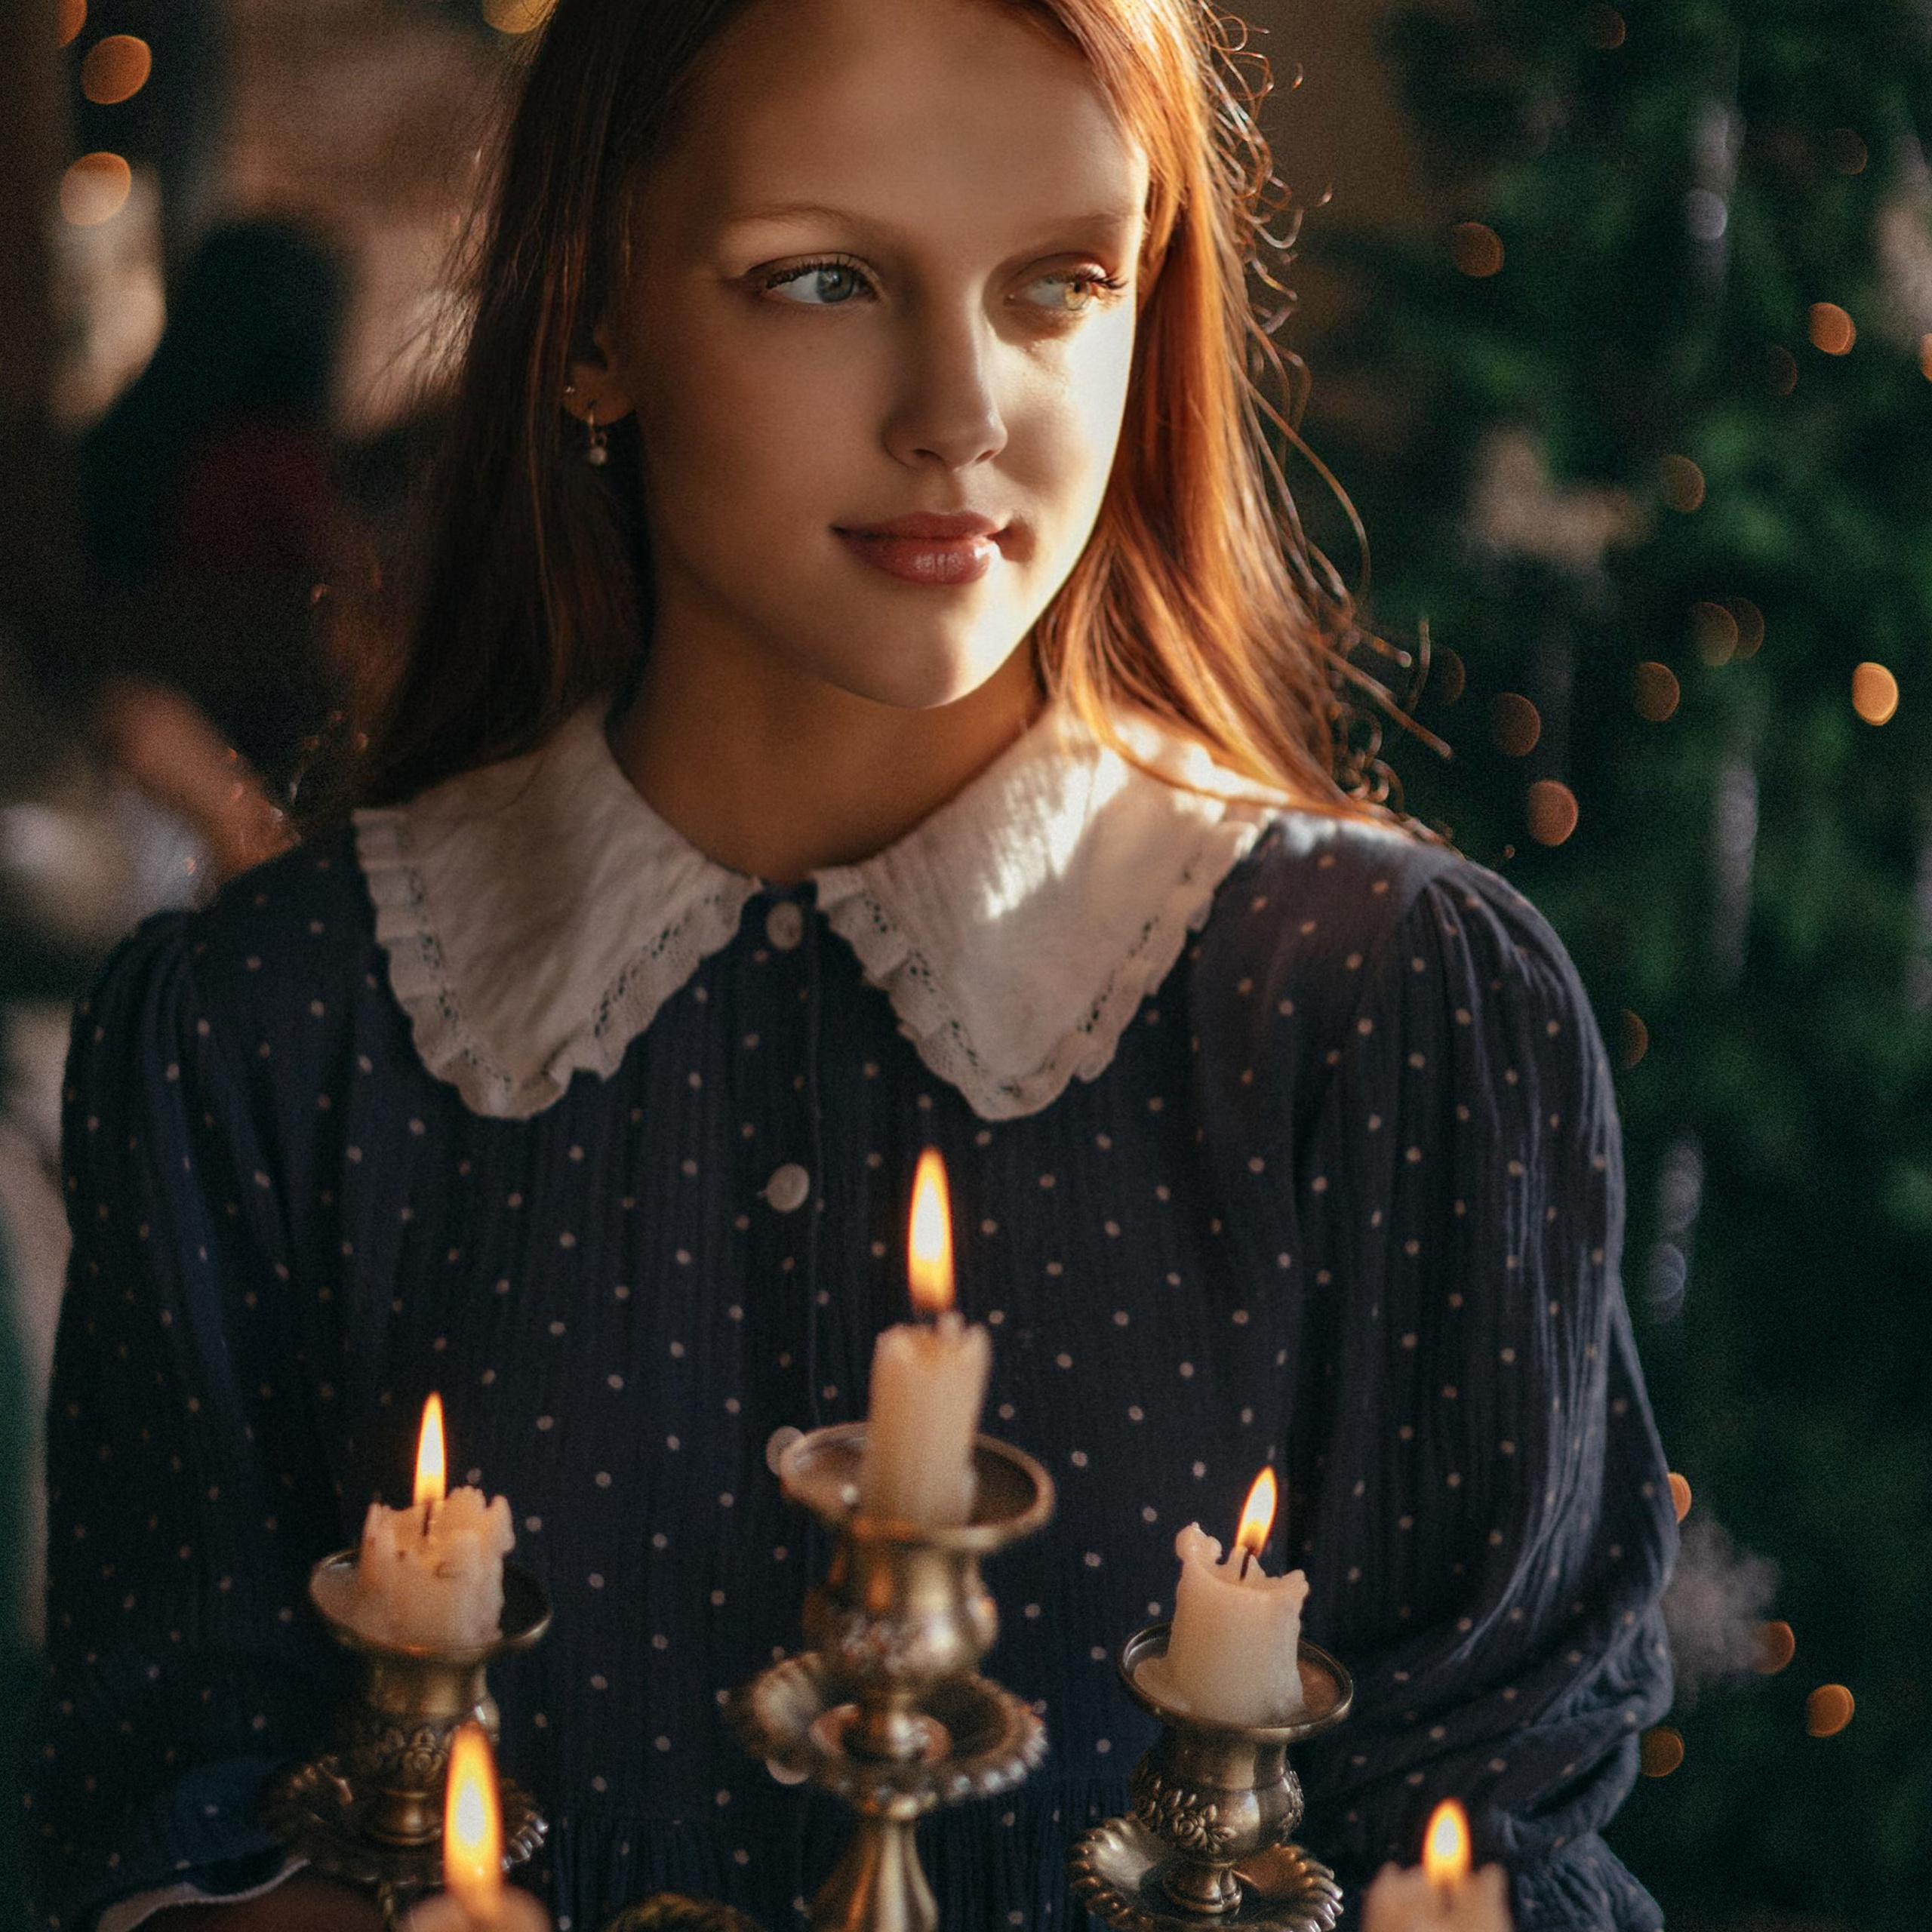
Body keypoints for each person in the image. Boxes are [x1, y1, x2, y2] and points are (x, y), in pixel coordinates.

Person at [30, 0, 1678, 1927]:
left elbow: (1495, 1833)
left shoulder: (1394, 1018)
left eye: (1057, 283)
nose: (959, 410)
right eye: (819, 277)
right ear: (586, 319)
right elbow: (165, 1809)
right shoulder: (268, 1033)